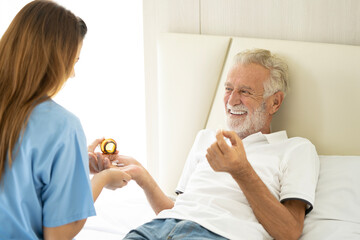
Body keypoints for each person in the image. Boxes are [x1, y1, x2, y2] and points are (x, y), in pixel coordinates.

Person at [91, 49, 320, 240]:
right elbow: (182, 208)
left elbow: (289, 231)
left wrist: (240, 170)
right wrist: (141, 175)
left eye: (245, 91)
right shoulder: (206, 139)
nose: (231, 100)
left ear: (274, 102)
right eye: (229, 88)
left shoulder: (296, 149)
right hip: (156, 229)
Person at [0, 1, 131, 239]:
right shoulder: (62, 127)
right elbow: (58, 234)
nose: (72, 73)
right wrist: (102, 180)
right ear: (54, 60)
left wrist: (74, 163)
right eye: (73, 61)